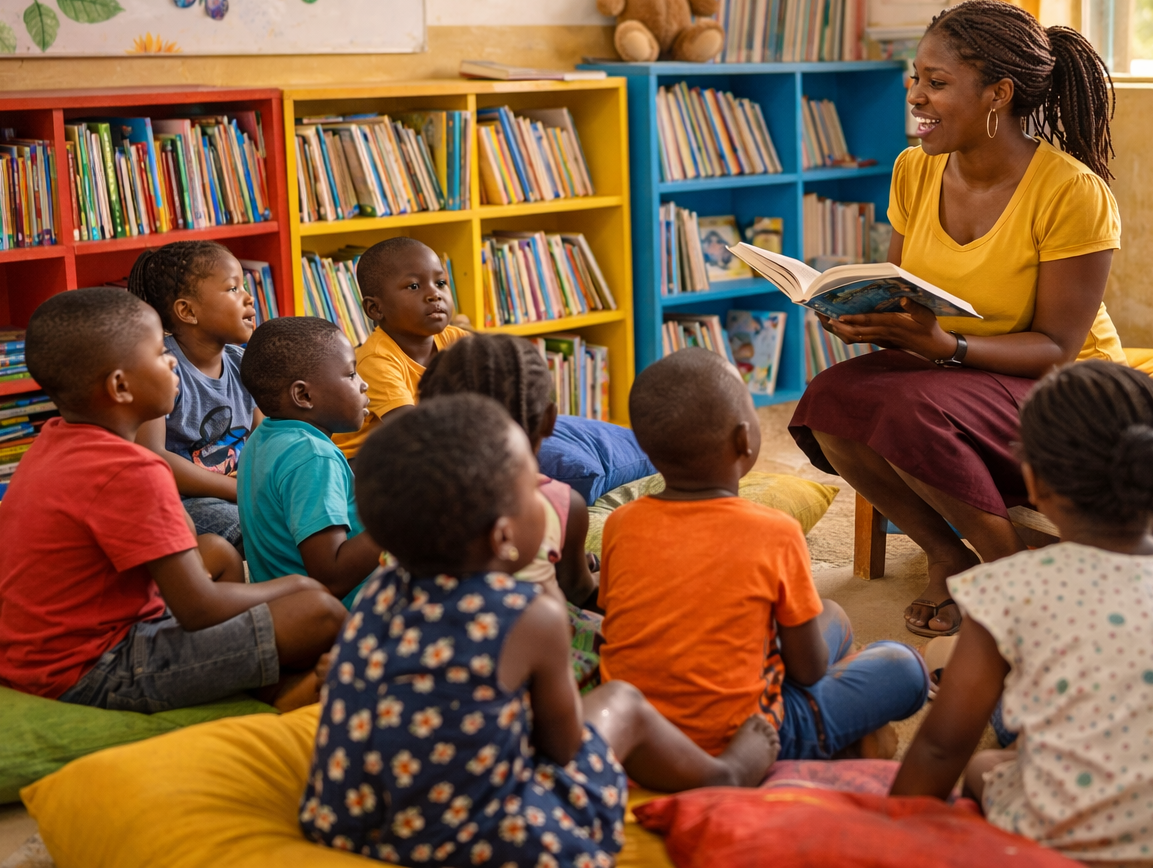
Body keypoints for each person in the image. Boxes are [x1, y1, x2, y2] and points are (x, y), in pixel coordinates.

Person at [301, 394, 780, 865]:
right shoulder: (528, 614)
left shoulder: (379, 590)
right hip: (481, 841)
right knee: (625, 704)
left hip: (352, 822)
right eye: (534, 487)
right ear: (503, 537)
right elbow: (564, 745)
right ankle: (728, 774)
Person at [890, 360, 1153, 868]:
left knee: (986, 766)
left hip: (1091, 849)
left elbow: (941, 749)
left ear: (1036, 481)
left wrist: (888, 840)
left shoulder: (1007, 589)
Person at [789, 0, 1125, 638]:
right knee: (831, 396)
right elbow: (899, 292)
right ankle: (947, 555)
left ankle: (1008, 582)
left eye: (937, 83)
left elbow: (1058, 346)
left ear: (998, 94)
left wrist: (946, 347)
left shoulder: (1072, 192)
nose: (916, 95)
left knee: (910, 409)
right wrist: (863, 316)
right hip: (957, 370)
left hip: (1070, 390)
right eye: (915, 77)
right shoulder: (914, 170)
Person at [0, 289, 344, 714]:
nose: (173, 361)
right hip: (87, 670)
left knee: (217, 553)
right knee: (318, 611)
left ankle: (253, 675)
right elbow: (198, 608)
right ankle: (282, 698)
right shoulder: (132, 471)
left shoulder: (56, 441)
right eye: (158, 353)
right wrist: (298, 584)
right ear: (120, 385)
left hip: (25, 651)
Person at [602, 348, 930, 760]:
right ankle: (840, 737)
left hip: (645, 738)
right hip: (745, 739)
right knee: (903, 666)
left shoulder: (621, 524)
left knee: (834, 615)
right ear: (745, 439)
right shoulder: (774, 532)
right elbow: (807, 669)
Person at [418, 332, 597, 608]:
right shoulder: (562, 504)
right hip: (530, 640)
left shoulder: (408, 498)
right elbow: (577, 591)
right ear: (550, 420)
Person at [238, 316, 382, 609]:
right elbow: (332, 578)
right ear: (303, 395)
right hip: (348, 617)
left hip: (289, 610)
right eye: (351, 374)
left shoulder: (262, 439)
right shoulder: (312, 455)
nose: (363, 384)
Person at [129, 240, 262, 552]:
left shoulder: (241, 362)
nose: (248, 297)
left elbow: (263, 435)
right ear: (187, 311)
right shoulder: (163, 369)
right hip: (185, 502)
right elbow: (154, 455)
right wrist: (238, 490)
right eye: (232, 289)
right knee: (252, 530)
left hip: (238, 489)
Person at [331, 237, 470, 460]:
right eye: (414, 286)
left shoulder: (456, 339)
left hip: (430, 447)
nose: (435, 294)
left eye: (441, 283)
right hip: (366, 462)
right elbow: (413, 431)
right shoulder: (377, 360)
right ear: (375, 308)